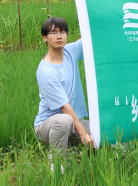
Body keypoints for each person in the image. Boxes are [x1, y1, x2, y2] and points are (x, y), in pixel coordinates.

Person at [34, 17, 94, 169]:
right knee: (65, 120)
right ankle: (58, 165)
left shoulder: (70, 52)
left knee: (103, 130)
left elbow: (91, 36)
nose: (59, 36)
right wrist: (83, 134)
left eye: (62, 32)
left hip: (74, 120)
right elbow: (64, 107)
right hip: (48, 125)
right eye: (53, 33)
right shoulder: (47, 72)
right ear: (44, 37)